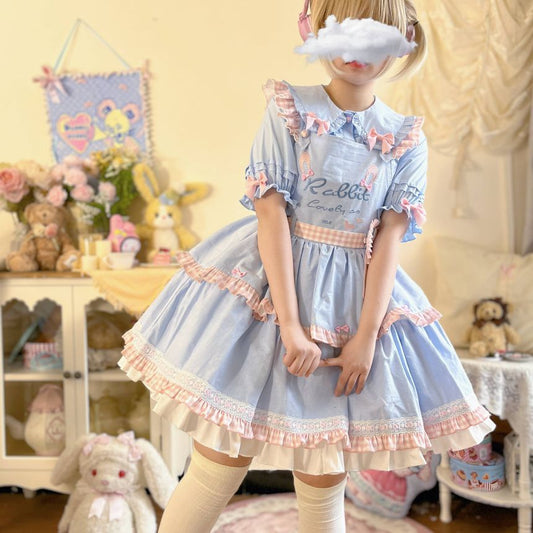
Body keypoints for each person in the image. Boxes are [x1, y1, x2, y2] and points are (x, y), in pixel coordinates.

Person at [119, 1, 495, 531]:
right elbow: (270, 213)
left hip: (349, 306)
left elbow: (389, 240)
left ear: (404, 38)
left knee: (323, 480)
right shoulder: (289, 108)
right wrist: (289, 325)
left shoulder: (405, 137)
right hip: (267, 295)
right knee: (217, 465)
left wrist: (366, 337)